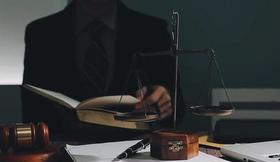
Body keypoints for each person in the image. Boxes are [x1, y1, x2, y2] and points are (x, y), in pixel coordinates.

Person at [22, 0, 184, 139]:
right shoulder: (41, 32)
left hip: (133, 150)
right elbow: (32, 112)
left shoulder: (151, 30)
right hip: (60, 153)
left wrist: (165, 100)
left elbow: (178, 109)